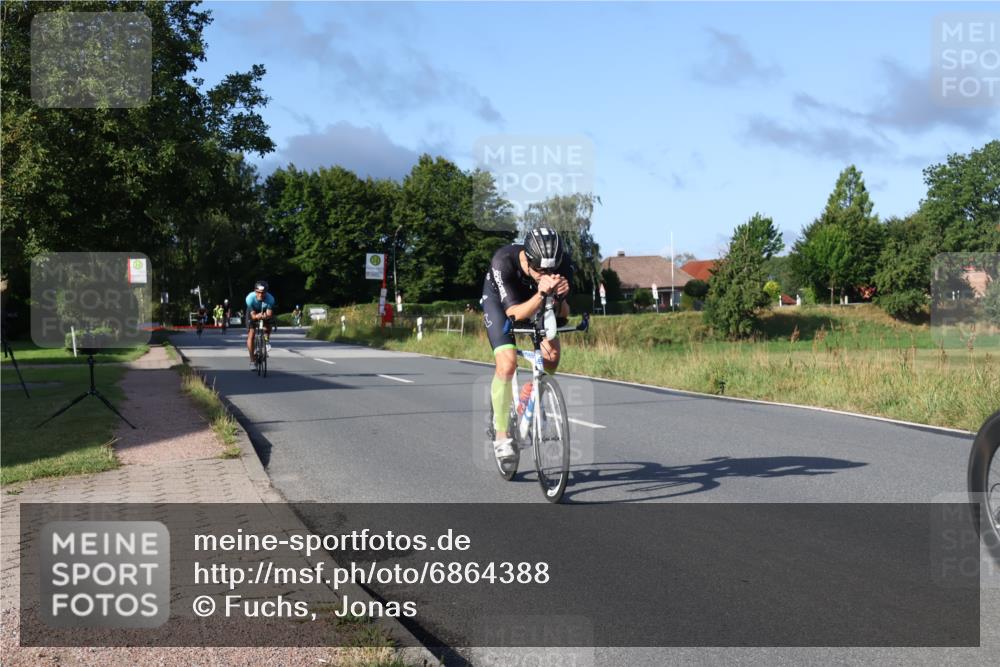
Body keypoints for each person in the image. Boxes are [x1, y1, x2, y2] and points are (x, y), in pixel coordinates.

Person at [481, 226, 572, 462]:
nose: (546, 273)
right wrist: (542, 294)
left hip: (537, 299)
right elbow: (515, 314)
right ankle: (501, 435)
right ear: (527, 259)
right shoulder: (504, 261)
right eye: (540, 270)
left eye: (550, 270)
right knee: (507, 363)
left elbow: (564, 315)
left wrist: (561, 297)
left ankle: (528, 396)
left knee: (551, 355)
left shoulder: (561, 263)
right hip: (503, 304)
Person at [245, 280, 276, 368]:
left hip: (264, 311)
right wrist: (256, 316)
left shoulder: (270, 299)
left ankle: (266, 341)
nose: (260, 295)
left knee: (268, 326)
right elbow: (253, 316)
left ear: (266, 292)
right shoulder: (249, 299)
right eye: (258, 292)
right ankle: (252, 360)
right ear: (255, 291)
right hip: (253, 311)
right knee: (252, 334)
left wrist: (265, 316)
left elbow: (269, 314)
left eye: (263, 293)